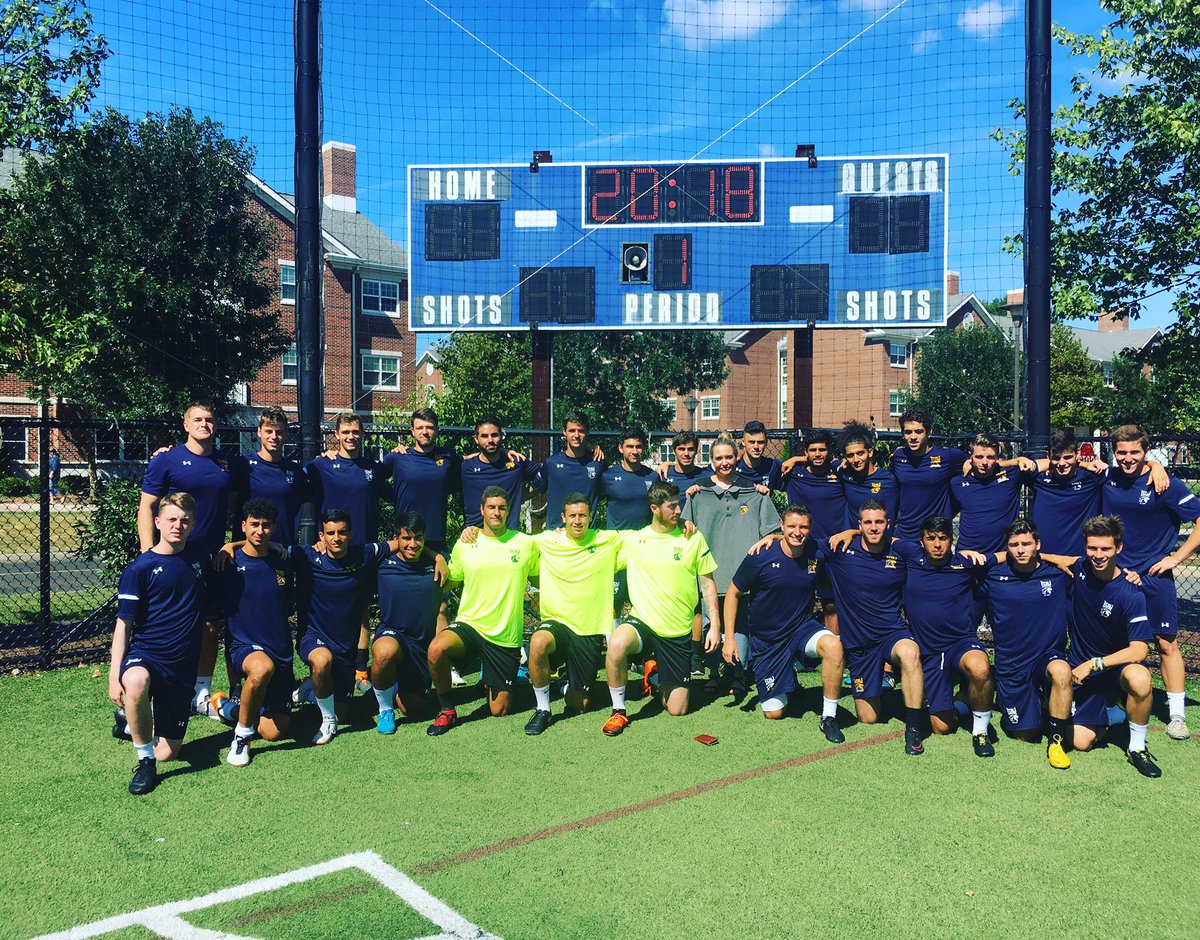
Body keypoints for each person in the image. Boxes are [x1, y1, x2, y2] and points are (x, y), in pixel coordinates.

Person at [138, 401, 241, 718]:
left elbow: (236, 507)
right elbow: (146, 508)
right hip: (173, 558)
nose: (204, 424)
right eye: (197, 419)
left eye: (210, 419)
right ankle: (161, 689)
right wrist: (148, 553)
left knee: (210, 624)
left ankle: (201, 692)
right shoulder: (166, 460)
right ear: (185, 425)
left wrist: (233, 543)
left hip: (212, 558)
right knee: (170, 624)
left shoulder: (226, 464)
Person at [1101, 424, 1200, 740]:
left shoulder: (1166, 484)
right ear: (1115, 453)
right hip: (1116, 578)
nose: (1128, 458)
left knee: (1166, 644)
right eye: (1122, 453)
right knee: (1114, 642)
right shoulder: (1108, 478)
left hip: (1154, 578)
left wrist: (1176, 558)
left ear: (1145, 452)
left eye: (1135, 452)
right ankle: (1112, 705)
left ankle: (1176, 716)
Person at [602, 481, 719, 735]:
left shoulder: (693, 537)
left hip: (676, 630)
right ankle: (618, 711)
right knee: (617, 643)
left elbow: (708, 585)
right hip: (642, 621)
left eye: (679, 504)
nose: (679, 511)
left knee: (677, 709)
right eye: (673, 506)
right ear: (655, 508)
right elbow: (593, 546)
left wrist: (715, 626)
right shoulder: (634, 541)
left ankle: (654, 675)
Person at [109, 494, 204, 795]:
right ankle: (145, 763)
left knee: (169, 753)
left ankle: (129, 724)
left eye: (185, 520)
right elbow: (123, 625)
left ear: (193, 525)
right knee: (135, 683)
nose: (178, 525)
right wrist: (115, 677)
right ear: (158, 522)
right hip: (147, 655)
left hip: (181, 667)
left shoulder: (201, 558)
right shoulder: (140, 569)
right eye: (172, 519)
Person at [724, 504, 845, 741]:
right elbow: (732, 593)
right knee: (774, 712)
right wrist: (729, 638)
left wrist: (857, 532)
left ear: (810, 529)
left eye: (803, 527)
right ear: (782, 526)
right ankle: (789, 679)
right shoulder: (761, 555)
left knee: (833, 646)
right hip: (768, 640)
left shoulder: (816, 550)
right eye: (791, 526)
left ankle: (829, 717)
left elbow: (848, 536)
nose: (797, 532)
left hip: (802, 628)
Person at [426, 487, 539, 736]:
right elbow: (450, 578)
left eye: (501, 508)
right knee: (436, 649)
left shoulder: (525, 543)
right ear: (482, 510)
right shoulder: (467, 542)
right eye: (491, 507)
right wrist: (436, 559)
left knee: (499, 710)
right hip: (471, 625)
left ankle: (490, 679)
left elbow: (547, 571)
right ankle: (447, 710)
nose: (496, 513)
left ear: (509, 511)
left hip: (504, 636)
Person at [1060, 515, 1161, 777]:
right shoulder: (1080, 569)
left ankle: (1137, 748)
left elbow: (1140, 650)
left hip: (1110, 669)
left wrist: (1095, 664)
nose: (1098, 554)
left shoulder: (1130, 591)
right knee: (1080, 742)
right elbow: (1057, 560)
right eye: (1092, 548)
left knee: (1140, 678)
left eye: (1105, 548)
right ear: (1085, 547)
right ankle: (1115, 712)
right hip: (1083, 671)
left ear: (1119, 548)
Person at [822, 499, 925, 755]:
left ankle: (913, 727)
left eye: (879, 521)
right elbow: (800, 542)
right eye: (867, 522)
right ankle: (884, 690)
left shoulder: (901, 551)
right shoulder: (841, 548)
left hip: (892, 633)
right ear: (859, 525)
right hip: (859, 643)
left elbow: (938, 554)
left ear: (888, 524)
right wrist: (774, 537)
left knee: (910, 653)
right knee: (868, 716)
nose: (874, 527)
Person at [682, 435, 780, 695]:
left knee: (740, 625)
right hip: (710, 573)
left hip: (743, 572)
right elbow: (684, 529)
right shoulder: (697, 492)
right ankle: (713, 673)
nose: (724, 462)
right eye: (718, 458)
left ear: (736, 458)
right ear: (711, 461)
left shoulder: (755, 491)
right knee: (709, 624)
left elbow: (773, 531)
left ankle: (738, 674)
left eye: (729, 457)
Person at [521, 493, 624, 734]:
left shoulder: (605, 540)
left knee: (579, 705)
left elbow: (645, 537)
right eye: (572, 516)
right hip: (557, 623)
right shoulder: (546, 541)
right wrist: (472, 531)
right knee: (537, 642)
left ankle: (563, 685)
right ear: (563, 518)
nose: (577, 521)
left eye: (582, 515)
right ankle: (543, 709)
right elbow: (510, 541)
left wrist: (682, 523)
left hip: (588, 629)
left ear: (590, 517)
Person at [892, 516, 995, 757]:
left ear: (952, 540)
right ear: (922, 541)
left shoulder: (965, 562)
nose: (937, 544)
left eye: (943, 538)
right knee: (943, 727)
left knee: (980, 667)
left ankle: (980, 732)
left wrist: (1049, 557)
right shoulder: (911, 554)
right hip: (929, 651)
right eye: (931, 539)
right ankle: (961, 702)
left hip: (960, 643)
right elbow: (881, 536)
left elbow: (1003, 556)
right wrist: (850, 533)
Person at [304, 412, 393, 689]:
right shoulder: (321, 465)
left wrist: (401, 449)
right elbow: (299, 489)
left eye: (356, 432)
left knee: (362, 608)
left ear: (362, 434)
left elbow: (397, 480)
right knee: (330, 609)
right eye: (346, 432)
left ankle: (359, 670)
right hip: (330, 549)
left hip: (362, 548)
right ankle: (322, 669)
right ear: (336, 435)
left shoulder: (372, 468)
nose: (351, 437)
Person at [292, 510, 395, 745]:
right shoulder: (307, 555)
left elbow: (399, 543)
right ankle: (327, 722)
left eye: (341, 532)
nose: (336, 538)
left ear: (350, 534)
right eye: (330, 533)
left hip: (344, 648)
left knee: (344, 714)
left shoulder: (363, 554)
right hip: (314, 637)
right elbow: (267, 547)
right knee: (321, 662)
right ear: (321, 535)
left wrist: (436, 556)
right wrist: (230, 546)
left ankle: (309, 690)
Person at [979, 519, 1074, 769]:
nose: (1020, 549)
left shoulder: (1058, 573)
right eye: (1014, 545)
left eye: (1026, 543)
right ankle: (1039, 704)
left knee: (1062, 672)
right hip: (1012, 663)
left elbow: (1096, 565)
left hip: (1047, 656)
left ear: (1037, 545)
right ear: (1006, 548)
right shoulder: (992, 576)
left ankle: (1056, 744)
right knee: (1024, 733)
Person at [209, 498, 294, 767]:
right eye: (254, 525)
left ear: (274, 528)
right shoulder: (228, 562)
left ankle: (225, 707)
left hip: (280, 651)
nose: (260, 531)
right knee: (260, 669)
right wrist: (229, 545)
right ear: (243, 526)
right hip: (245, 648)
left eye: (266, 526)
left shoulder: (282, 560)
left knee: (274, 732)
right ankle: (241, 737)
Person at [370, 511, 442, 734]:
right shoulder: (382, 563)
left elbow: (443, 610)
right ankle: (385, 709)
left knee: (413, 708)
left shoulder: (436, 565)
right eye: (406, 538)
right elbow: (350, 555)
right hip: (393, 634)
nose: (413, 544)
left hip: (420, 646)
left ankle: (391, 684)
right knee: (384, 652)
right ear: (396, 539)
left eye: (418, 538)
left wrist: (438, 557)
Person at [782, 429, 846, 634]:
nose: (818, 454)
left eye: (822, 450)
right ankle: (801, 648)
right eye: (812, 450)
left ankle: (835, 650)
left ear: (829, 451)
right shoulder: (793, 473)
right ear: (806, 452)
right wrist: (796, 459)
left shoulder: (840, 473)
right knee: (801, 600)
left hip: (832, 547)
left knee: (830, 604)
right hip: (803, 547)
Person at [381, 407, 462, 557]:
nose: (425, 431)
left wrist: (502, 451)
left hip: (435, 536)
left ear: (437, 430)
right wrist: (394, 496)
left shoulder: (448, 456)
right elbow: (375, 478)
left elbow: (470, 464)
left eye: (430, 427)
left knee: (438, 579)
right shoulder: (397, 457)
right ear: (412, 431)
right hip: (405, 536)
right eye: (420, 427)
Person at [236, 407, 312, 547]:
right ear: (259, 432)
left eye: (279, 432)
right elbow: (230, 503)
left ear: (286, 434)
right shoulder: (242, 465)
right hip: (248, 550)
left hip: (283, 549)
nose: (274, 437)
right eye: (268, 431)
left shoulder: (295, 471)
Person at [950, 433, 1034, 554]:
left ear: (997, 457)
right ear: (970, 457)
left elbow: (1049, 463)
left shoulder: (1012, 475)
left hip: (1001, 557)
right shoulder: (957, 482)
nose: (984, 462)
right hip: (967, 555)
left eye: (990, 457)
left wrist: (1021, 460)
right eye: (979, 457)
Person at [888, 405, 962, 541]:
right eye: (908, 432)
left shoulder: (948, 456)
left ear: (929, 432)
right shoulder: (898, 456)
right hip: (904, 535)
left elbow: (983, 464)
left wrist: (1012, 462)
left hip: (935, 537)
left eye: (918, 431)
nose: (913, 437)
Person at [459, 416, 544, 529]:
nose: (490, 440)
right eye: (484, 436)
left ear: (501, 436)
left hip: (508, 537)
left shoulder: (516, 463)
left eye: (494, 435)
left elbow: (549, 470)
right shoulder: (465, 467)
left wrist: (524, 495)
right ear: (476, 439)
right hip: (474, 537)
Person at [541, 412, 605, 529]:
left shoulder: (598, 463)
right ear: (564, 432)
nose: (576, 435)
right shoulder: (551, 463)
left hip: (586, 534)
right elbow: (535, 489)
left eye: (581, 431)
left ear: (587, 432)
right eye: (572, 431)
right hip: (557, 533)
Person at [836, 420, 899, 528]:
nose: (856, 459)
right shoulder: (844, 475)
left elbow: (890, 519)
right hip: (852, 541)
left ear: (870, 452)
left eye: (860, 453)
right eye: (850, 455)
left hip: (879, 539)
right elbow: (830, 462)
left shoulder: (887, 480)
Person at [735, 420, 783, 489]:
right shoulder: (733, 466)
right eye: (751, 442)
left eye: (760, 442)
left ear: (766, 442)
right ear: (743, 442)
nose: (756, 447)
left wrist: (796, 459)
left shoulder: (772, 466)